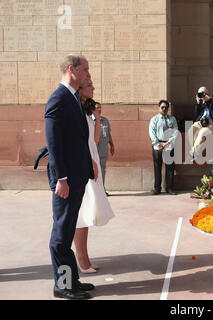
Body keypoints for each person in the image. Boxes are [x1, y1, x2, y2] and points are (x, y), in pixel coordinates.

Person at [45, 54, 95, 300]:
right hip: (65, 180)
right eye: (85, 69)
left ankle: (72, 281)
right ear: (72, 70)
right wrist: (61, 178)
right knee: (61, 235)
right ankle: (63, 285)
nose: (87, 74)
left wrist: (87, 168)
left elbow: (78, 140)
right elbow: (53, 144)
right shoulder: (58, 99)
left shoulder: (73, 97)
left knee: (67, 230)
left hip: (77, 177)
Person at [74, 81, 115, 274]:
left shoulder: (89, 112)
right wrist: (89, 161)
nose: (93, 88)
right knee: (81, 213)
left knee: (88, 212)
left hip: (92, 160)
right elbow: (77, 141)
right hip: (84, 163)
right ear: (80, 90)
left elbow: (95, 140)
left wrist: (97, 118)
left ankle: (85, 259)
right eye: (89, 85)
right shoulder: (74, 110)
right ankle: (81, 260)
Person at [149, 100, 179, 195]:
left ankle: (169, 188)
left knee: (170, 167)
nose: (164, 109)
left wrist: (167, 143)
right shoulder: (154, 119)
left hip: (169, 144)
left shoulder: (172, 119)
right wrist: (158, 144)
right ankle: (157, 188)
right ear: (159, 108)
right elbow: (152, 132)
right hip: (157, 145)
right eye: (162, 107)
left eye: (166, 107)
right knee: (157, 167)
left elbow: (175, 132)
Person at [189, 87, 213, 159]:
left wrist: (209, 100)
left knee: (202, 132)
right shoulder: (201, 101)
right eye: (200, 94)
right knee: (192, 129)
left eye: (203, 93)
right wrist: (198, 103)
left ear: (208, 93)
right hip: (201, 122)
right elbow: (197, 114)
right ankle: (194, 149)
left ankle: (193, 154)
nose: (202, 96)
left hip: (211, 123)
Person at [94, 102, 115, 195]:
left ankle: (102, 189)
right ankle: (94, 191)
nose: (99, 109)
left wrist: (112, 145)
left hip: (103, 148)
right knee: (93, 169)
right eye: (97, 108)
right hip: (94, 148)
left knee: (102, 168)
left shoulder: (105, 120)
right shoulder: (90, 120)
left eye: (100, 108)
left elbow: (108, 133)